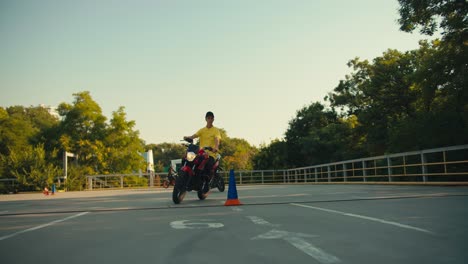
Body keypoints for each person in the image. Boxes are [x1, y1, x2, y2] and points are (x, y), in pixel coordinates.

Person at [184, 111, 221, 184]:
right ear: (206, 119)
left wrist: (216, 147)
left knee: (208, 164)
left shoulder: (216, 130)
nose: (210, 120)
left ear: (213, 119)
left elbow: (217, 139)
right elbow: (194, 135)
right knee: (189, 159)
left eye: (211, 118)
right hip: (201, 153)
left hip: (211, 154)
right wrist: (188, 137)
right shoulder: (202, 130)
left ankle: (207, 182)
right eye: (208, 118)